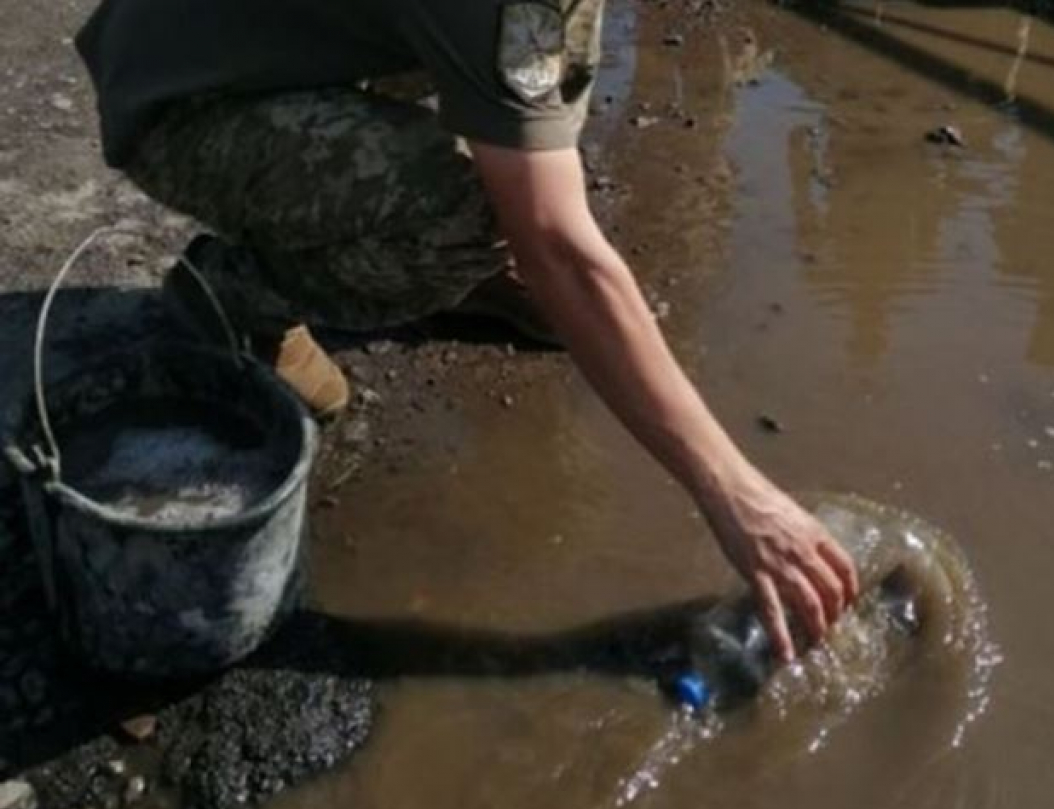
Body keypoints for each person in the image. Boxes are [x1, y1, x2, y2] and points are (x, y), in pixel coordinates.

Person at [75, 0, 858, 661]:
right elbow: (562, 248)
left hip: (251, 42)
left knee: (525, 127)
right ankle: (238, 295)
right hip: (177, 98)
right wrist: (737, 493)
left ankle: (461, 249)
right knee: (481, 217)